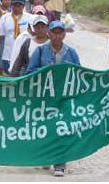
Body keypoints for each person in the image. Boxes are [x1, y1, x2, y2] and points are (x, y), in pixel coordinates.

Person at [26, 20, 81, 177]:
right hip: (45, 98)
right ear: (49, 33)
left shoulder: (71, 53)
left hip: (64, 98)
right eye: (54, 32)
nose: (57, 35)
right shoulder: (41, 51)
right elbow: (30, 72)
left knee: (62, 129)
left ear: (64, 34)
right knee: (47, 127)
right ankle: (46, 156)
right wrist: (46, 71)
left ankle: (60, 163)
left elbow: (79, 74)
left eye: (60, 32)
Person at [0, 0, 33, 75]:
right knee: (8, 78)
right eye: (15, 5)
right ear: (11, 5)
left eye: (19, 5)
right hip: (7, 55)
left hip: (24, 55)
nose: (17, 7)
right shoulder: (5, 18)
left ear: (23, 6)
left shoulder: (30, 18)